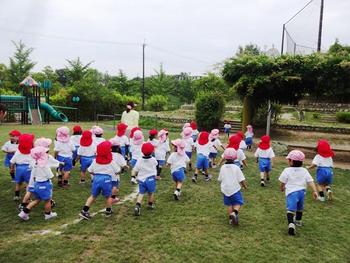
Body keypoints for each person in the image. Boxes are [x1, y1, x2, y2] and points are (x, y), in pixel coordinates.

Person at [279, 150, 318, 236]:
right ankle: (298, 221)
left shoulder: (287, 170)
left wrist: (281, 187)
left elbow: (282, 181)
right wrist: (315, 191)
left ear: (291, 161)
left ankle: (291, 225)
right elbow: (310, 181)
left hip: (292, 193)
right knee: (300, 208)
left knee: (291, 209)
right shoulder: (304, 171)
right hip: (301, 193)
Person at [79, 141, 120, 220]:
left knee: (93, 195)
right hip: (106, 180)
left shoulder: (95, 161)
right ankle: (108, 211)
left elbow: (90, 170)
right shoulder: (111, 162)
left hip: (96, 179)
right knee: (108, 197)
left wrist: (96, 174)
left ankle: (84, 211)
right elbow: (117, 171)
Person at [18, 146, 60, 221]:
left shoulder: (35, 164)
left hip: (36, 184)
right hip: (44, 184)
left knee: (37, 200)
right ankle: (48, 214)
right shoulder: (45, 166)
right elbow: (51, 176)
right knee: (47, 200)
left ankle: (24, 213)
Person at [218, 148, 248, 226]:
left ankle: (231, 220)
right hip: (235, 189)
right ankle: (234, 213)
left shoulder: (222, 167)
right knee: (238, 202)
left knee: (230, 204)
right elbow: (241, 179)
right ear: (235, 157)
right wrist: (244, 186)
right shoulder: (236, 168)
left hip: (225, 189)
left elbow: (220, 179)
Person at [132, 142, 158, 216]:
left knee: (141, 193)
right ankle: (150, 204)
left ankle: (137, 206)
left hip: (141, 179)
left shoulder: (139, 159)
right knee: (151, 192)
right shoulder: (153, 159)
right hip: (150, 179)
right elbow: (156, 164)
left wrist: (133, 176)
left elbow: (135, 169)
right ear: (152, 151)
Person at [10, 134, 34, 201]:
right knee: (28, 184)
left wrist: (12, 169)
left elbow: (12, 161)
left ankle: (16, 196)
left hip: (19, 169)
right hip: (28, 169)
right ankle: (28, 198)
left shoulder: (18, 151)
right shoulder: (32, 151)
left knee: (18, 183)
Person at [110, 138, 128, 203]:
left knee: (109, 184)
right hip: (115, 173)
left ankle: (107, 194)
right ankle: (113, 198)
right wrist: (126, 167)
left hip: (106, 172)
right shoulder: (119, 156)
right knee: (115, 186)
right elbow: (123, 165)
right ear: (118, 148)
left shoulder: (108, 154)